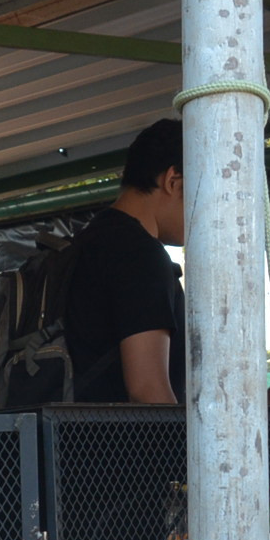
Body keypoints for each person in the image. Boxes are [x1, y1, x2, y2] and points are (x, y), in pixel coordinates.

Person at [62, 118, 187, 404]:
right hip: (112, 435)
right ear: (173, 181)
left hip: (65, 430)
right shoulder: (141, 255)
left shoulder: (87, 242)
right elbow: (148, 390)